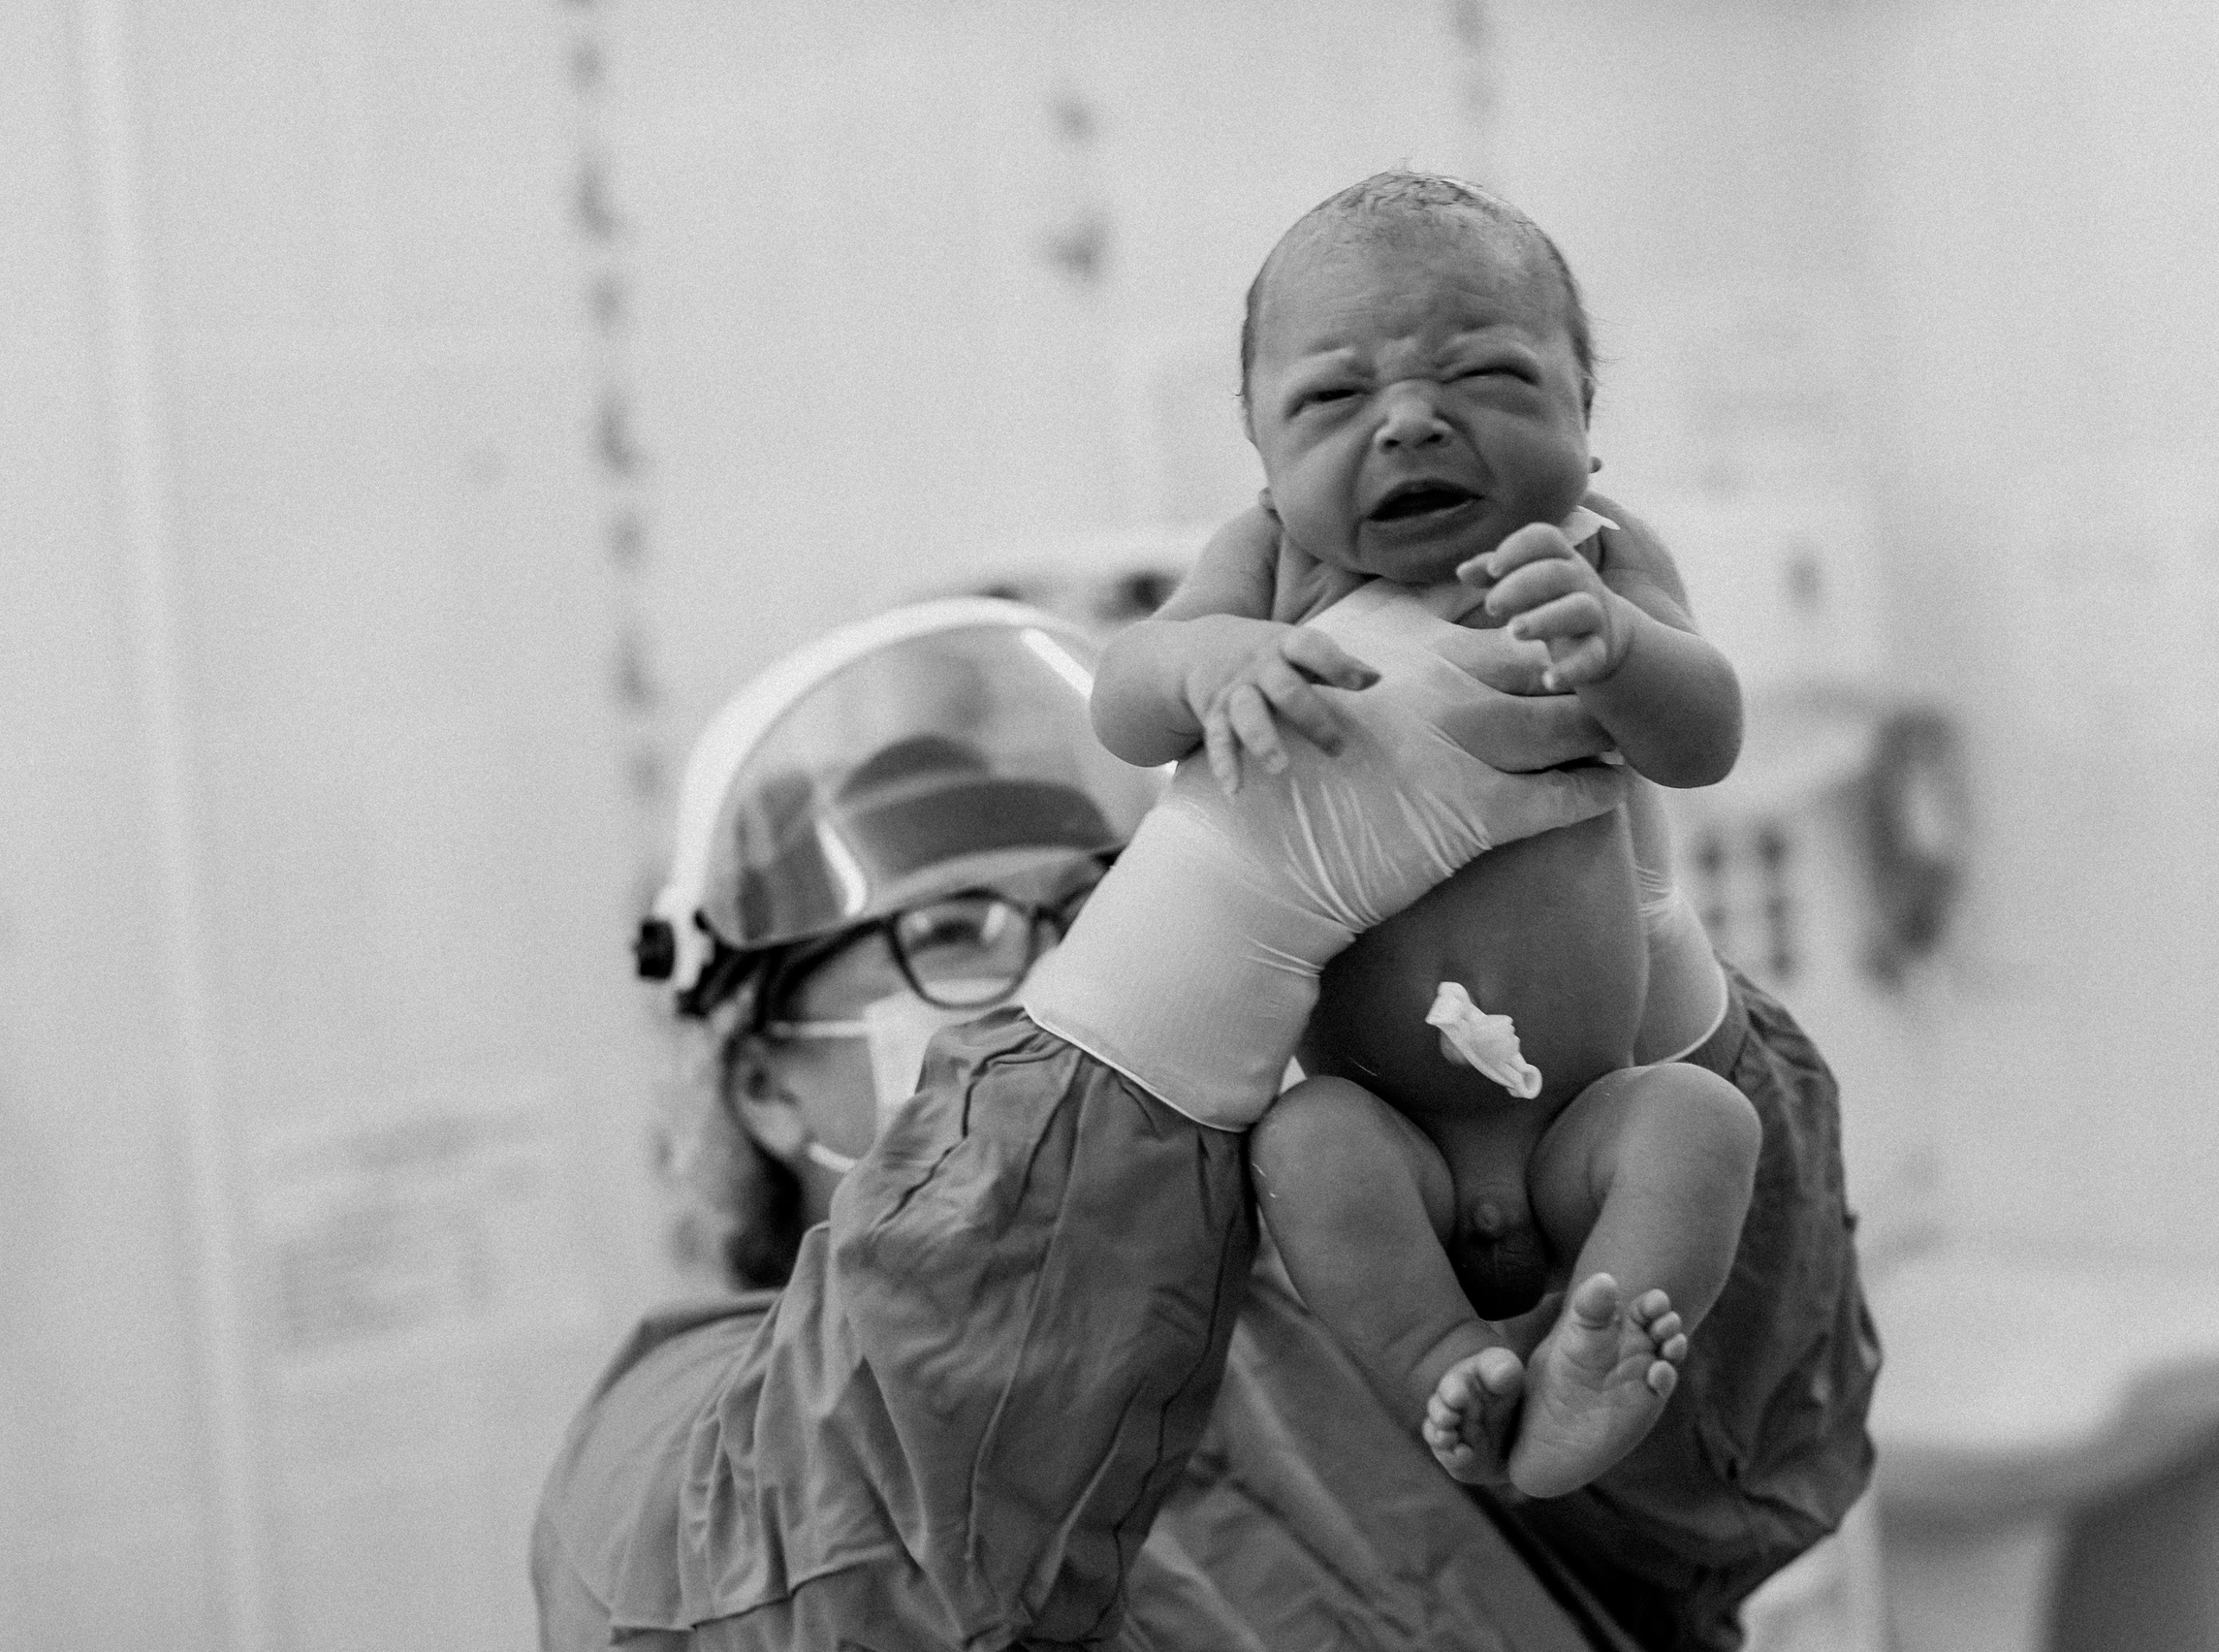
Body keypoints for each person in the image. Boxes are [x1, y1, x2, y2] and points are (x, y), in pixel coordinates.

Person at [532, 596, 1645, 1649]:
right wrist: (1226, 895)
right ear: (762, 1084)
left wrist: (1656, 981)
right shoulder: (662, 1454)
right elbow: (835, 1584)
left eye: (1089, 909)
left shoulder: (1309, 1318)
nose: (1056, 964)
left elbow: (1703, 1506)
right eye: (954, 930)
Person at [1091, 171, 1768, 1499]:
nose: (1410, 420)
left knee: (1702, 1116)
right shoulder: (1272, 560)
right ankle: (1442, 1359)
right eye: (1335, 397)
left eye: (1489, 376)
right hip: (1393, 1134)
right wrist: (1210, 660)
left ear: (1589, 419)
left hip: (1587, 1118)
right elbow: (1126, 694)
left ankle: (1600, 1347)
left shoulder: (1598, 551)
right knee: (1302, 1139)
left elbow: (1706, 738)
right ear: (1266, 455)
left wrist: (1623, 651)